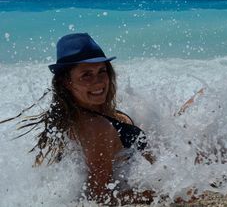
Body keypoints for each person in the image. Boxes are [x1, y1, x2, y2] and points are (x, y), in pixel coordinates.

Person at [1, 33, 154, 205]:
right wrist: (157, 195)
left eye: (102, 71)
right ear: (67, 82)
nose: (98, 81)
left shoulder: (74, 118)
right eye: (86, 75)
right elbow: (99, 198)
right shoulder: (97, 127)